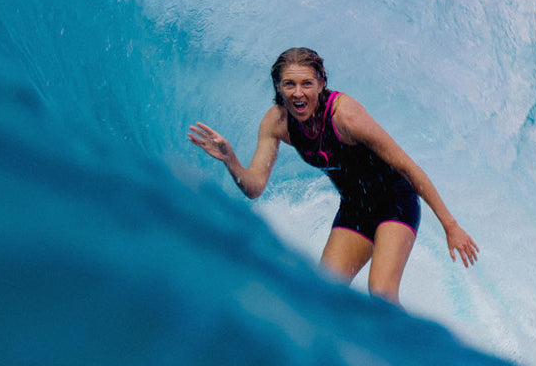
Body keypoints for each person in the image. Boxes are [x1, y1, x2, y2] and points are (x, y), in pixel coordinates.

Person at [188, 47, 479, 303]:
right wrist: (230, 159)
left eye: (307, 83)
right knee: (322, 295)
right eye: (289, 84)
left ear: (321, 84)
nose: (298, 93)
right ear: (278, 87)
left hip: (395, 200)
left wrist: (451, 226)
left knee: (381, 294)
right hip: (355, 208)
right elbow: (254, 187)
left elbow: (407, 167)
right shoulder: (276, 122)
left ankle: (414, 349)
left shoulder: (346, 117)